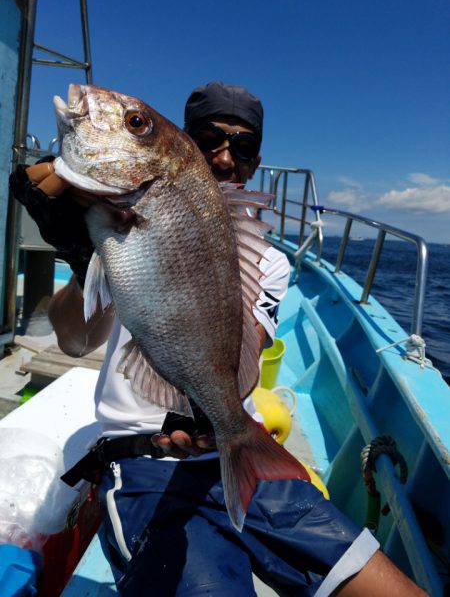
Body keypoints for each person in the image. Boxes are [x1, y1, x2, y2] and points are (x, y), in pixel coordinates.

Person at [10, 82, 425, 596]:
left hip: (228, 444)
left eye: (243, 147)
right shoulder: (119, 222)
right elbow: (73, 341)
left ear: (254, 162)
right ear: (183, 144)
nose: (226, 156)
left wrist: (219, 419)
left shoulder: (269, 262)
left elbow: (241, 359)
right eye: (209, 138)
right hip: (144, 461)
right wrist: (80, 259)